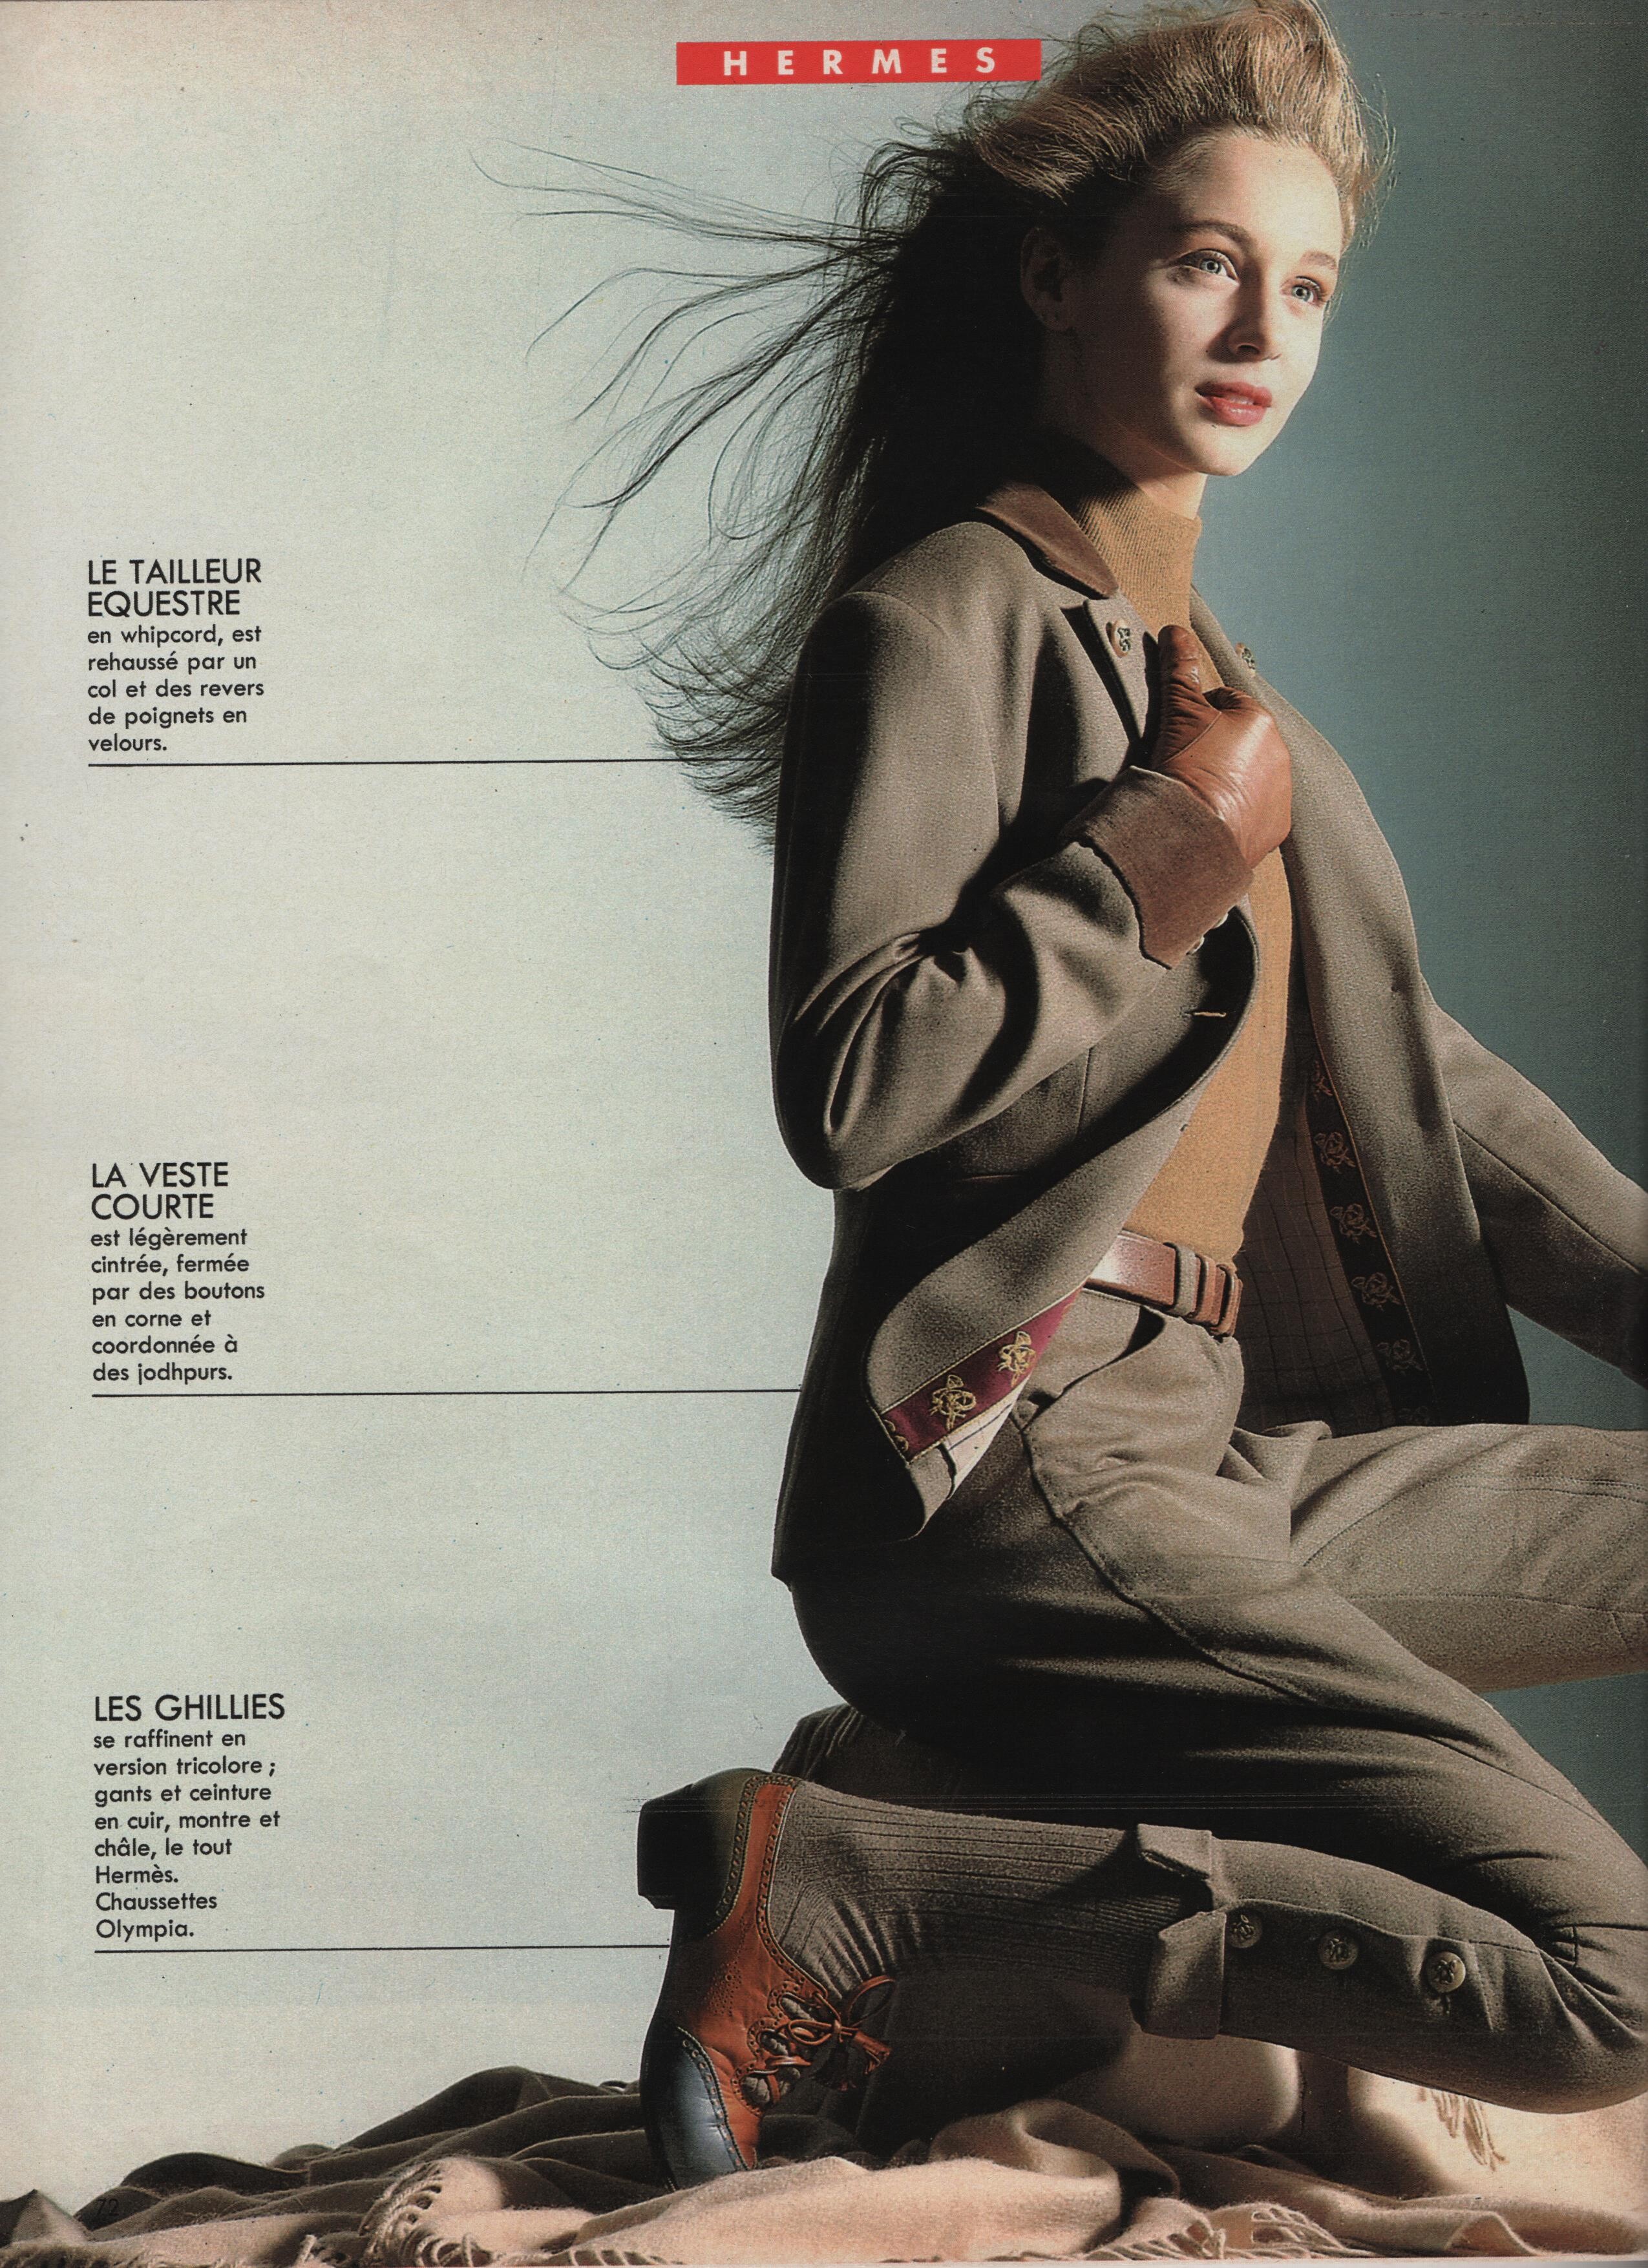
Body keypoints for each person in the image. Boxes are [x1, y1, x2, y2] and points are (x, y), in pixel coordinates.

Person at [571, 0, 1648, 2192]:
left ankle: (935, 1801)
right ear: (1059, 275)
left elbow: (1431, 1094)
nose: (1263, 330)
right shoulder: (940, 620)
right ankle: (853, 1873)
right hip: (1011, 1465)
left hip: (1225, 1450)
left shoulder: (1246, 706)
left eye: (1309, 286)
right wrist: (1151, 858)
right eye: (1207, 262)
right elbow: (854, 1081)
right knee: (1610, 1982)